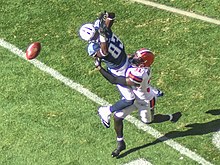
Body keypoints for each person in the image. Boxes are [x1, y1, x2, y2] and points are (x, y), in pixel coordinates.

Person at [79, 11, 163, 128]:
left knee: (140, 76)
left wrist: (107, 16)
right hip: (119, 67)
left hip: (124, 60)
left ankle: (149, 90)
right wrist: (103, 32)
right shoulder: (97, 41)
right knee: (130, 98)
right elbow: (103, 52)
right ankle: (106, 111)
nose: (97, 36)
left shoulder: (99, 35)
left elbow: (111, 17)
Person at [95, 48, 182, 157]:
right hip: (134, 98)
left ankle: (171, 117)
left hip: (145, 101)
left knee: (149, 121)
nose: (134, 58)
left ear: (143, 63)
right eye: (136, 55)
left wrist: (100, 68)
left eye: (138, 58)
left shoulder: (140, 74)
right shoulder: (139, 65)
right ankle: (120, 143)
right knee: (117, 117)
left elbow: (115, 80)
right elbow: (126, 57)